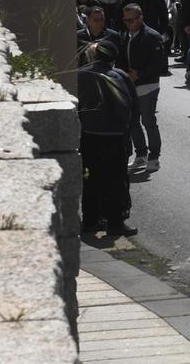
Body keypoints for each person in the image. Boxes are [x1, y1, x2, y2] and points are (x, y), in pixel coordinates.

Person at [78, 40, 138, 236]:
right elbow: (132, 109)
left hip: (89, 136)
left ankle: (90, 221)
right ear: (113, 57)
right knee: (116, 181)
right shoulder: (120, 76)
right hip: (115, 137)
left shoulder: (82, 75)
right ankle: (115, 222)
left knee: (90, 179)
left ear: (94, 56)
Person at [118, 3, 167, 173]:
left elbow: (159, 63)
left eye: (131, 20)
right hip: (129, 86)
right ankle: (141, 155)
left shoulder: (153, 36)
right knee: (132, 123)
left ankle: (154, 157)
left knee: (148, 121)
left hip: (148, 86)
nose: (128, 24)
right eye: (125, 21)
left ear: (140, 18)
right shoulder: (124, 36)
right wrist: (125, 74)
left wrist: (139, 74)